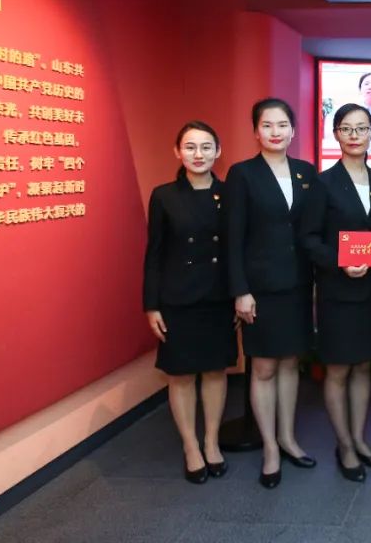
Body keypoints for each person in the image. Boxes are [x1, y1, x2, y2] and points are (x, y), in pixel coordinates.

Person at [226, 98, 317, 489]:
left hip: (298, 285)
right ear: (256, 131)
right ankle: (269, 448)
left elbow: (312, 230)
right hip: (260, 289)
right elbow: (232, 238)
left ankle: (288, 438)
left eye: (282, 125)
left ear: (293, 130)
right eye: (267, 125)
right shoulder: (242, 174)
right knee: (263, 368)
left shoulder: (305, 172)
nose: (275, 132)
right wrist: (240, 291)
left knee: (290, 364)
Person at [142, 121, 236, 484]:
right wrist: (151, 305)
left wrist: (239, 294)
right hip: (177, 299)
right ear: (177, 152)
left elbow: (236, 250)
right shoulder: (164, 196)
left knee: (215, 371)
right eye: (191, 147)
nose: (199, 154)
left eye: (206, 147)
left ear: (218, 152)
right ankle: (190, 446)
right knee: (180, 374)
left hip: (218, 297)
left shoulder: (230, 194)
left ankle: (211, 441)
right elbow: (154, 254)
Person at [302, 103, 371, 482]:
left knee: (364, 365)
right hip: (337, 289)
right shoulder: (322, 183)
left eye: (362, 128)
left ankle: (359, 437)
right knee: (338, 368)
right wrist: (340, 261)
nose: (355, 136)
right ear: (335, 134)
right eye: (347, 129)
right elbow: (309, 238)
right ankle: (344, 445)